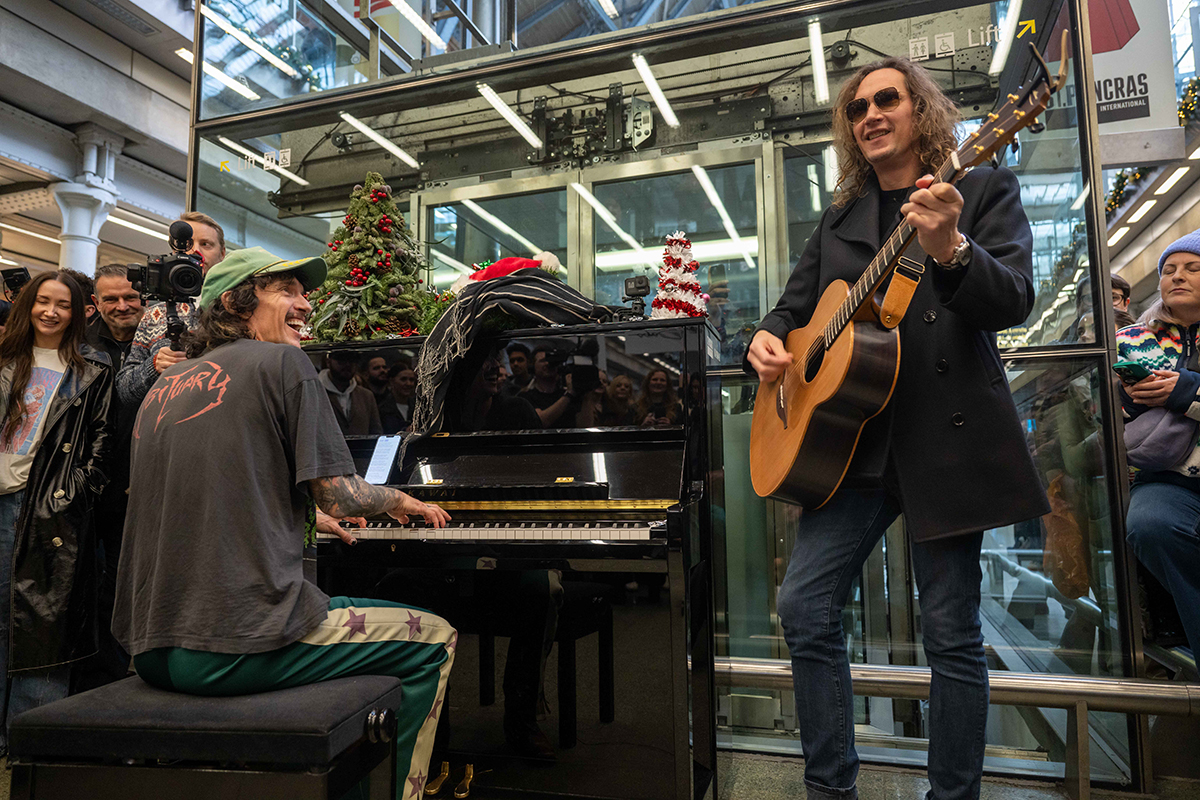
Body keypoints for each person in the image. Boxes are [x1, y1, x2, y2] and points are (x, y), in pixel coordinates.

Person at [745, 56, 1047, 800]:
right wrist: (768, 336)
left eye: (887, 99)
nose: (871, 115)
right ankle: (830, 789)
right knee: (803, 608)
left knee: (950, 633)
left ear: (922, 110)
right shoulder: (840, 217)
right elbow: (795, 306)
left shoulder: (980, 185)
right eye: (857, 108)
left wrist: (952, 249)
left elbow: (1015, 300)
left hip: (946, 436)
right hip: (851, 445)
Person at [112, 248, 456, 799]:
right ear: (234, 303)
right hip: (232, 648)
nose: (305, 304)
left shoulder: (163, 388)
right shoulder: (282, 364)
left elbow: (209, 492)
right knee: (435, 638)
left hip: (150, 651)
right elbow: (342, 496)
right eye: (286, 290)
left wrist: (299, 514)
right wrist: (397, 498)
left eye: (304, 292)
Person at [0, 271, 112, 751]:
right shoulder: (5, 358)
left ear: (78, 313)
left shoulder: (93, 367)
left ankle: (27, 742)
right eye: (42, 301)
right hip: (2, 500)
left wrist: (71, 495)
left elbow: (103, 442)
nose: (51, 311)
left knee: (43, 623)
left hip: (47, 505)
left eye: (62, 304)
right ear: (27, 304)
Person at [1118, 231, 1200, 656]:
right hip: (1167, 476)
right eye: (1169, 270)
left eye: (1192, 268)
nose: (1177, 276)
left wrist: (1185, 392)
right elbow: (1104, 409)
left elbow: (1178, 394)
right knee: (1150, 524)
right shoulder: (1130, 338)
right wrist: (1127, 402)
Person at [76, 264, 146, 690]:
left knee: (133, 585)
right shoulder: (80, 346)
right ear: (95, 304)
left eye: (130, 297)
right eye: (111, 299)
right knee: (94, 585)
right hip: (91, 486)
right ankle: (101, 683)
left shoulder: (164, 341)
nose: (122, 306)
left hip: (147, 485)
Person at [116, 211, 227, 409]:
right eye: (188, 244)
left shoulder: (237, 307)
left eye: (206, 244)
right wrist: (154, 366)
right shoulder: (155, 313)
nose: (196, 251)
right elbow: (124, 390)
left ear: (222, 253)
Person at [320, 350, 383, 435]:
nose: (347, 364)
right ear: (328, 362)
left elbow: (376, 432)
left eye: (352, 360)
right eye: (341, 360)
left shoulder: (366, 396)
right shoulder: (316, 393)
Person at [520, 344, 573, 427]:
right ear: (532, 367)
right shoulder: (525, 397)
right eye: (543, 360)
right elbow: (540, 421)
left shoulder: (566, 394)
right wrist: (569, 395)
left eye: (551, 360)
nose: (548, 363)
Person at [379, 360, 417, 433]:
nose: (408, 383)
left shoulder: (418, 407)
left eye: (411, 380)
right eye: (403, 379)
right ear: (392, 381)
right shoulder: (382, 408)